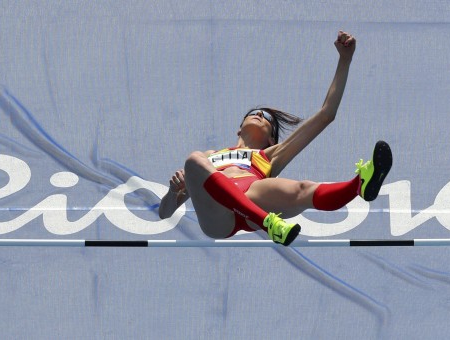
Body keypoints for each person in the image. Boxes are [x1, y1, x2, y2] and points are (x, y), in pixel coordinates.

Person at [158, 30, 392, 246]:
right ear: (239, 129)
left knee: (304, 188)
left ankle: (358, 185)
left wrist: (345, 59)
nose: (260, 114)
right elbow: (164, 212)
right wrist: (173, 191)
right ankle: (267, 223)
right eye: (254, 113)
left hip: (254, 195)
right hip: (218, 215)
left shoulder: (270, 155)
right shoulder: (210, 157)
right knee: (193, 160)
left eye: (266, 117)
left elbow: (326, 115)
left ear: (271, 138)